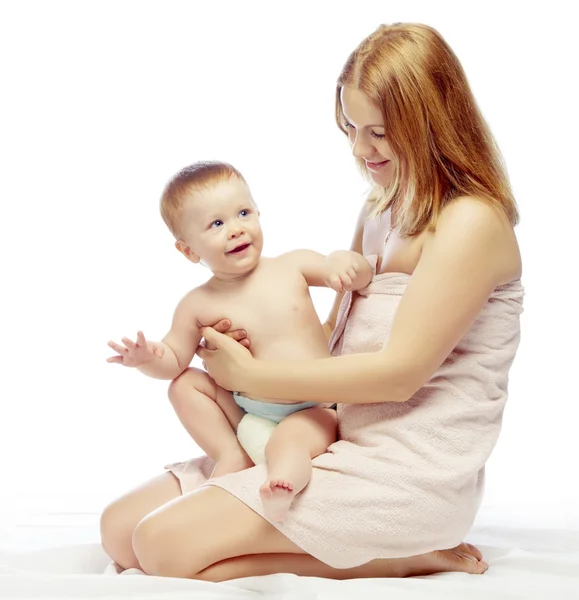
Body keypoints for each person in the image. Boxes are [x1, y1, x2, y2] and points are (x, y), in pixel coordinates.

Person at [100, 22, 523, 580]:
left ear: (431, 122)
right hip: (330, 434)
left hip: (403, 471)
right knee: (118, 532)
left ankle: (403, 558)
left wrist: (253, 375)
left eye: (378, 132)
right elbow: (331, 347)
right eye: (350, 126)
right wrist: (258, 349)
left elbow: (399, 377)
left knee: (160, 547)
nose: (359, 148)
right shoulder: (381, 208)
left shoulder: (470, 222)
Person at [106, 160, 373, 522]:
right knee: (184, 385)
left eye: (243, 213)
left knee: (290, 440)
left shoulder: (291, 265)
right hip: (249, 412)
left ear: (258, 213)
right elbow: (173, 360)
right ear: (188, 250)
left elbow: (340, 269)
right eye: (216, 224)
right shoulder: (196, 303)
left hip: (313, 408)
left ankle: (283, 485)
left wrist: (344, 263)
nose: (235, 229)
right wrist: (148, 357)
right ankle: (230, 453)